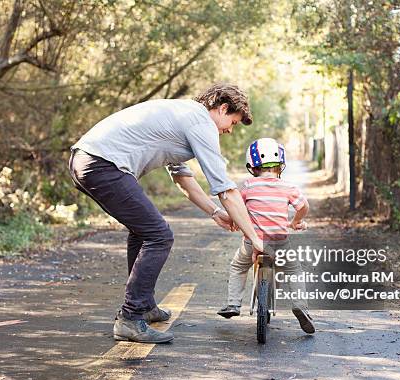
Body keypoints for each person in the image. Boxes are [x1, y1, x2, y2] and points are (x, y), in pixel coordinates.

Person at [68, 84, 265, 343]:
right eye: (233, 122)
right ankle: (130, 317)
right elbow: (226, 189)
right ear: (222, 108)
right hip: (102, 164)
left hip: (87, 161)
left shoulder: (182, 117)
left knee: (143, 231)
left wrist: (215, 213)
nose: (229, 130)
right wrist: (256, 239)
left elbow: (183, 180)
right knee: (159, 235)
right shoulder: (200, 122)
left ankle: (144, 306)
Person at [217, 137, 315, 334]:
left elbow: (236, 207)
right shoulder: (288, 187)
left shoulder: (248, 187)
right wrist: (295, 221)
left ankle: (234, 304)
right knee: (294, 270)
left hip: (253, 241)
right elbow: (303, 206)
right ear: (280, 166)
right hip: (280, 241)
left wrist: (235, 220)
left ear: (252, 167)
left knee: (238, 266)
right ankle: (300, 306)